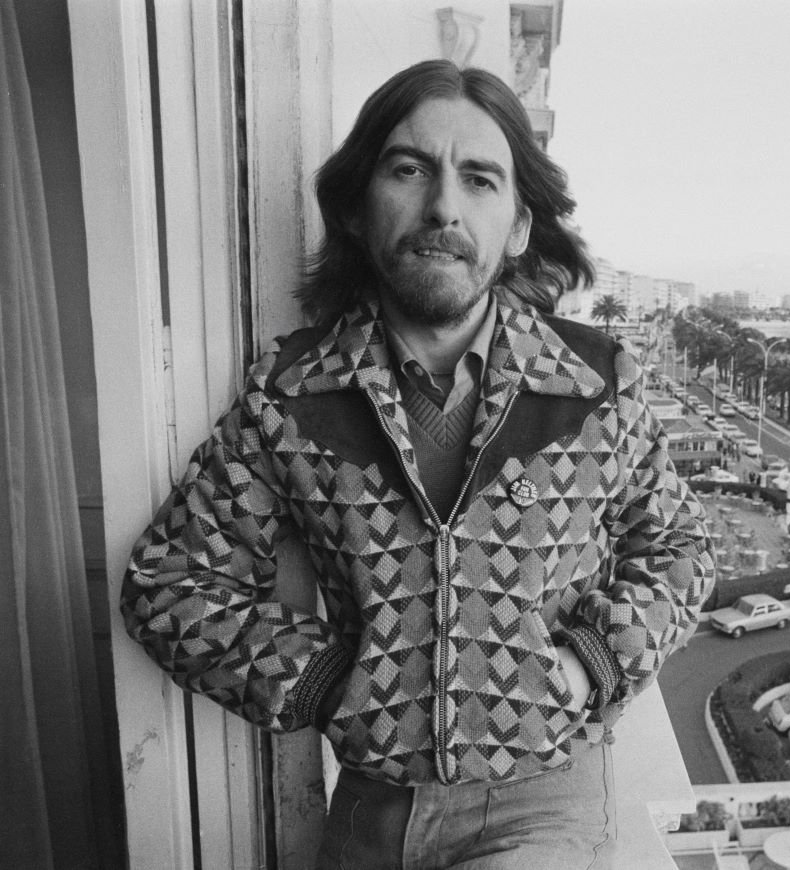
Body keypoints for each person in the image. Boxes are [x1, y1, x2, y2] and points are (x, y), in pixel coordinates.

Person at [119, 60, 715, 870]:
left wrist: (590, 661)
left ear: (517, 228)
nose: (442, 207)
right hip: (369, 813)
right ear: (360, 207)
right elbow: (168, 584)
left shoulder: (595, 385)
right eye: (410, 169)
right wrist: (326, 676)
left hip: (541, 804)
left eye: (479, 180)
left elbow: (682, 548)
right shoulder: (292, 395)